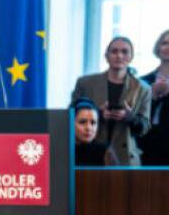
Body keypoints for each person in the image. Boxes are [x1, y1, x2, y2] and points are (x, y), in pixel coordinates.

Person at [71, 36, 151, 166]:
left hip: (125, 156)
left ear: (131, 57)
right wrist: (97, 114)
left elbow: (144, 128)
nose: (119, 55)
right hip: (89, 152)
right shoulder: (85, 83)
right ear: (106, 56)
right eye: (114, 51)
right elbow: (70, 115)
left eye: (124, 52)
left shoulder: (143, 89)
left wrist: (130, 117)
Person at [136, 29, 169, 166]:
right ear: (158, 47)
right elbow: (135, 115)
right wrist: (153, 96)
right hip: (146, 145)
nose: (168, 47)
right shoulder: (141, 81)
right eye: (164, 43)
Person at [72, 98, 116, 167]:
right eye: (82, 122)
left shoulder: (105, 151)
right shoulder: (61, 151)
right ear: (70, 123)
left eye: (93, 123)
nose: (88, 128)